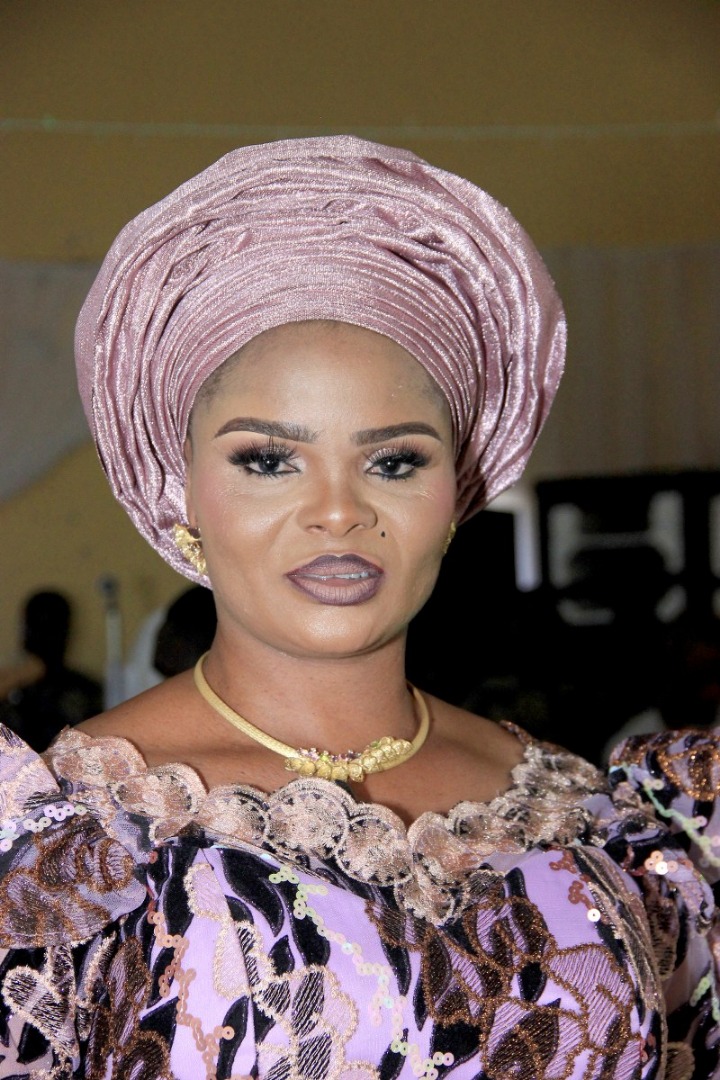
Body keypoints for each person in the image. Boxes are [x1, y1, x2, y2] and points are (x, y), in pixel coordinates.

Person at [0, 137, 718, 1080]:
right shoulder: (61, 846)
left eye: (394, 460)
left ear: (456, 495)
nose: (338, 510)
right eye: (268, 459)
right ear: (180, 495)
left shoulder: (593, 819)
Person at [0, 588, 102, 752]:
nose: (43, 637)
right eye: (36, 626)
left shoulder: (85, 691)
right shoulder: (10, 690)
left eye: (52, 628)